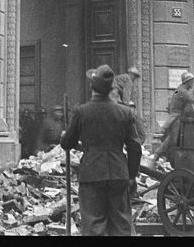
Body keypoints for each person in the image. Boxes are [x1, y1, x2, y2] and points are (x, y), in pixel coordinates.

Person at [60, 65, 144, 237]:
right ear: (111, 89)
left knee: (94, 226)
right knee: (121, 226)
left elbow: (67, 143)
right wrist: (131, 175)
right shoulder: (125, 112)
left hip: (92, 174)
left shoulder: (81, 112)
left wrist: (64, 136)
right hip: (119, 173)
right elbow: (135, 147)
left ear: (92, 86)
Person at [153, 71, 194, 163]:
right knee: (173, 139)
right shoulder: (183, 91)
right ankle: (158, 155)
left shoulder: (178, 90)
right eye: (192, 81)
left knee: (173, 139)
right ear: (187, 81)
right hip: (177, 118)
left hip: (175, 117)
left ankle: (159, 155)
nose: (193, 82)